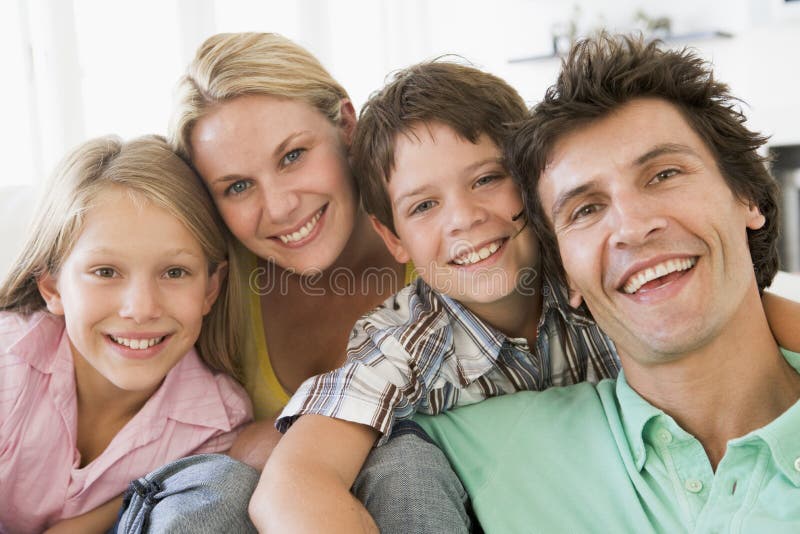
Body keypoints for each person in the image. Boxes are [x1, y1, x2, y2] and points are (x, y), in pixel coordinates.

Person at [415, 34, 800, 532]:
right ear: (566, 276)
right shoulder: (487, 447)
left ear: (746, 196)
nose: (632, 227)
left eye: (663, 174)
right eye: (586, 209)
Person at [251, 60, 618, 532]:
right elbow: (292, 483)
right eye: (424, 205)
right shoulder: (402, 342)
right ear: (393, 238)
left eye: (486, 179)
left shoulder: (600, 269)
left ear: (533, 174)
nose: (463, 218)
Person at [0, 135, 253, 533]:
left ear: (209, 288)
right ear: (52, 287)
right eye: (105, 272)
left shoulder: (217, 425)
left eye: (174, 272)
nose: (142, 308)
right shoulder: (8, 366)